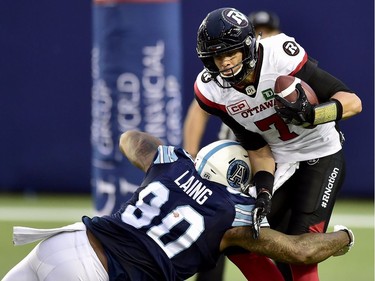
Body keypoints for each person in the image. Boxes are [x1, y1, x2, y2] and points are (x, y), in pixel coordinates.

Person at [2, 130, 354, 281]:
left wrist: (172, 159)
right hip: (94, 273)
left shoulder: (172, 165)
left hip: (63, 241)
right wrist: (344, 239)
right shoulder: (233, 216)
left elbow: (130, 139)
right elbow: (299, 251)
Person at [192, 7, 362, 281]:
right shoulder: (211, 91)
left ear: (247, 46)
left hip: (320, 153)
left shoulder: (279, 56)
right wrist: (263, 193)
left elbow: (353, 102)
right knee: (233, 234)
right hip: (279, 159)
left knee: (300, 251)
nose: (223, 63)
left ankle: (342, 239)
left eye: (229, 52)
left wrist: (313, 114)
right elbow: (257, 148)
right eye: (216, 56)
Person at [184, 10, 281, 157]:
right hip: (240, 150)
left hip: (282, 149)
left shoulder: (282, 61)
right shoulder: (228, 72)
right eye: (259, 31)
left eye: (269, 31)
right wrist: (191, 153)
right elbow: (198, 110)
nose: (265, 35)